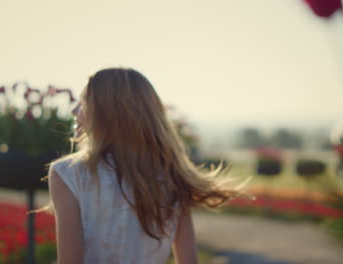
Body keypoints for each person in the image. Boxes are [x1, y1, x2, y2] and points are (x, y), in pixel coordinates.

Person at [46, 68, 245, 264]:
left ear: (106, 113)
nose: (74, 110)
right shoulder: (173, 175)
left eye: (84, 102)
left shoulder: (67, 173)